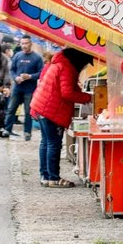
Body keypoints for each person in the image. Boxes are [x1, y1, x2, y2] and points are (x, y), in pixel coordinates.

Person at [30, 48, 93, 188]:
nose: (83, 68)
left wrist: (81, 92)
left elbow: (68, 87)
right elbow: (67, 93)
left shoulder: (59, 64)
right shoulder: (67, 68)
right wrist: (89, 98)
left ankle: (45, 176)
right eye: (84, 65)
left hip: (42, 108)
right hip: (51, 110)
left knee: (46, 142)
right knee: (53, 143)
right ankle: (53, 178)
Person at [1, 35, 44, 141]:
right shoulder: (17, 56)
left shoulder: (37, 58)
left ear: (31, 44)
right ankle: (7, 129)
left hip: (30, 88)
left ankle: (27, 132)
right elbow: (12, 70)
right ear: (20, 44)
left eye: (26, 43)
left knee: (28, 112)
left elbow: (41, 73)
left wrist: (30, 76)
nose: (24, 46)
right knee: (11, 109)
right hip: (17, 87)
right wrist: (16, 78)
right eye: (22, 43)